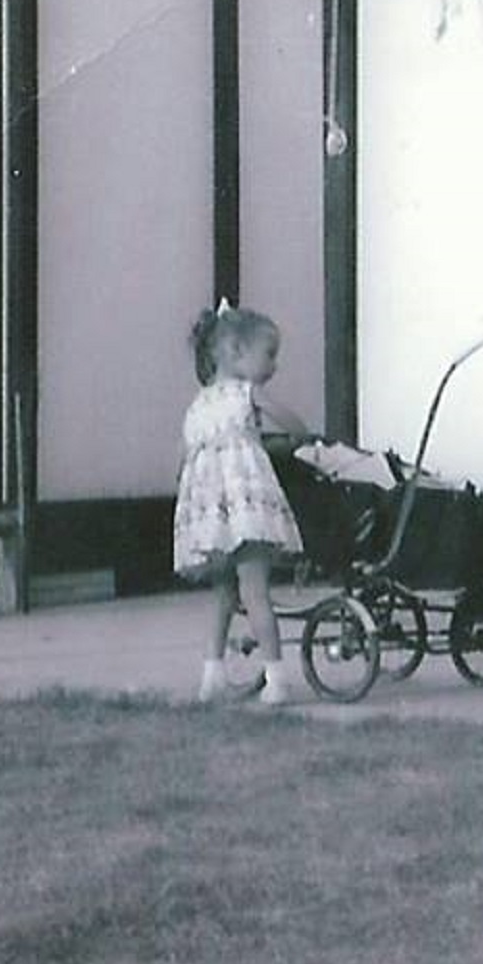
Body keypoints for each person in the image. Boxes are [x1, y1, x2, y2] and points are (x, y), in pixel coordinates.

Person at [174, 302, 308, 705]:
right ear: (235, 351)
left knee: (223, 595)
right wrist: (297, 442)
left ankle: (211, 675)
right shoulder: (248, 394)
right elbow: (295, 426)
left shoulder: (197, 406)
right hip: (247, 512)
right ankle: (277, 678)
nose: (274, 366)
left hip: (213, 518)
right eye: (268, 354)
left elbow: (182, 461)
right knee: (256, 592)